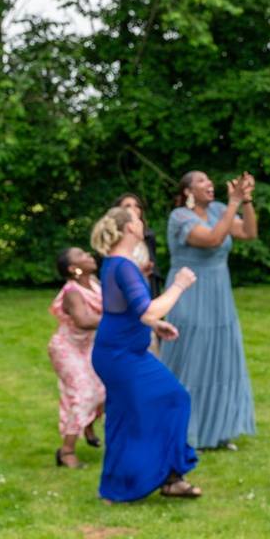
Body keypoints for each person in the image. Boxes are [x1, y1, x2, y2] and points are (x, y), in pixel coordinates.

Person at [89, 207, 201, 502]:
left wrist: (155, 324)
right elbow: (148, 308)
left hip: (122, 350)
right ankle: (161, 478)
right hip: (119, 354)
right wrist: (179, 285)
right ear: (129, 229)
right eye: (137, 220)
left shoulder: (118, 263)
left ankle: (158, 479)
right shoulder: (123, 265)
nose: (141, 223)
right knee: (171, 399)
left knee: (130, 414)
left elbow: (134, 311)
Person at [160, 170, 258, 450]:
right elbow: (213, 238)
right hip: (188, 293)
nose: (209, 184)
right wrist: (234, 203)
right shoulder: (179, 217)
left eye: (209, 180)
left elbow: (249, 233)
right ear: (188, 191)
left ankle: (218, 431)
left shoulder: (218, 209)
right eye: (201, 181)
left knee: (221, 362)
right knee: (191, 362)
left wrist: (246, 201)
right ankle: (183, 432)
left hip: (219, 295)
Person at [48, 247, 106, 468]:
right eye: (82, 256)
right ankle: (66, 451)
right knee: (83, 393)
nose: (89, 256)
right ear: (74, 269)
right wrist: (120, 320)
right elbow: (83, 320)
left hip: (89, 345)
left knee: (105, 389)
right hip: (67, 348)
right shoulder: (72, 291)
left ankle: (88, 425)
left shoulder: (95, 283)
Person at [113, 193, 164, 297]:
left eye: (137, 206)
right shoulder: (114, 237)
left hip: (149, 281)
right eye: (128, 206)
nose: (133, 209)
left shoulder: (149, 236)